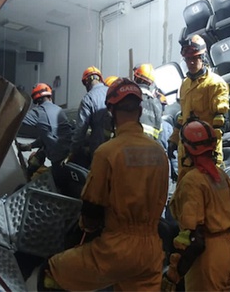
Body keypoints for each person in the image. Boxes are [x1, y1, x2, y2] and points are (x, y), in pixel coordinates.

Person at [42, 78, 170, 290]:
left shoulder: (108, 152)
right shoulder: (159, 153)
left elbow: (92, 209)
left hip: (117, 249)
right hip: (152, 250)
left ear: (111, 112)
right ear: (139, 111)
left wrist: (87, 226)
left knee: (54, 270)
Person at [163, 119, 230, 291]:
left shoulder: (192, 181)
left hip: (208, 258)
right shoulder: (221, 175)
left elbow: (191, 238)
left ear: (187, 149)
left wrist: (173, 274)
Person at [168, 34, 229, 177]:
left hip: (206, 152)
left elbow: (220, 120)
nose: (191, 62)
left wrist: (212, 150)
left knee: (206, 191)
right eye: (188, 59)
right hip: (186, 153)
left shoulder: (215, 84)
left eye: (194, 58)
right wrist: (174, 140)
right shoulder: (184, 85)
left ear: (202, 57)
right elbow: (183, 117)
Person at [17, 82, 73, 185]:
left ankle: (28, 179)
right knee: (40, 153)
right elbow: (48, 134)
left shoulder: (39, 112)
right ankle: (29, 176)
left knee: (58, 186)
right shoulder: (59, 110)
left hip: (59, 163)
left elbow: (17, 119)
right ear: (50, 96)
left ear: (36, 101)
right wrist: (30, 146)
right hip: (69, 156)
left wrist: (17, 100)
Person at [69, 66, 110, 168]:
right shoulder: (112, 92)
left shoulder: (88, 99)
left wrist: (73, 151)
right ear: (100, 79)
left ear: (86, 82)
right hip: (116, 145)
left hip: (99, 146)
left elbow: (80, 130)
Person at [133, 63, 163, 141]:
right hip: (149, 148)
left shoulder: (130, 98)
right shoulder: (156, 104)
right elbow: (160, 132)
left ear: (136, 77)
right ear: (150, 83)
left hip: (128, 146)